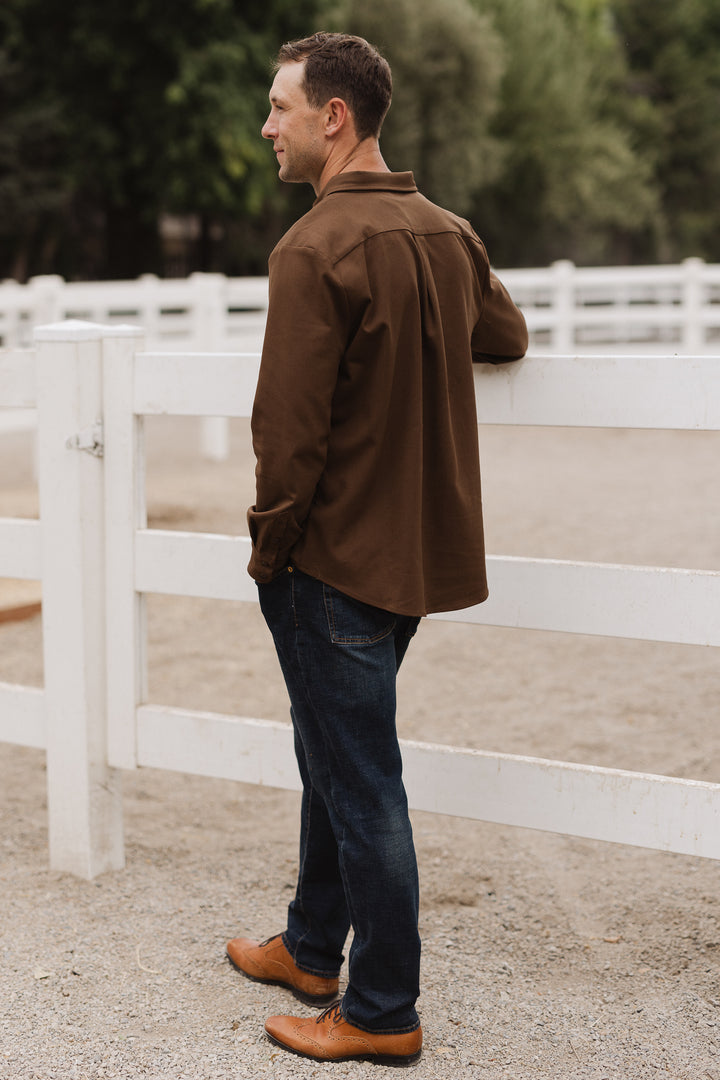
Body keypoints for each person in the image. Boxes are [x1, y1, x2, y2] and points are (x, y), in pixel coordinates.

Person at [226, 31, 528, 1066]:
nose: (268, 127)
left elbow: (287, 433)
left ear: (334, 117)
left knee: (361, 783)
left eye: (280, 108)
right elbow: (508, 338)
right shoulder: (445, 232)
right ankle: (312, 949)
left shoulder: (312, 249)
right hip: (411, 565)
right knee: (336, 757)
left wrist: (271, 554)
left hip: (333, 563)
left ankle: (381, 1012)